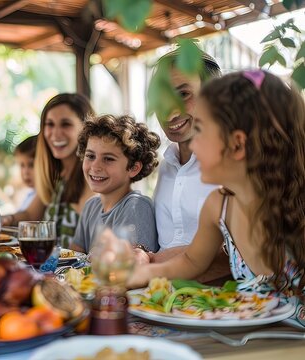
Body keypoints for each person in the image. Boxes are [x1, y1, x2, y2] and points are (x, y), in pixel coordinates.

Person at [130, 70, 305, 325]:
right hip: (253, 341)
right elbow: (191, 262)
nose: (193, 144)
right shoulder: (219, 205)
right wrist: (139, 273)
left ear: (237, 144)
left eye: (200, 130)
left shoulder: (294, 205)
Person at [149, 49, 223, 263]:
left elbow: (236, 253)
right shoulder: (166, 166)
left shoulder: (234, 165)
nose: (170, 111)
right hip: (159, 292)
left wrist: (152, 263)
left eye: (183, 94)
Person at [3, 93, 95, 248]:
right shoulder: (56, 173)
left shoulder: (92, 174)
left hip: (78, 270)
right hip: (52, 267)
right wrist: (4, 219)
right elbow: (31, 215)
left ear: (86, 129)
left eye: (66, 124)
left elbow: (90, 232)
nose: (55, 133)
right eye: (50, 124)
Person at [72, 115, 160, 253]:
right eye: (90, 156)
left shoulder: (136, 207)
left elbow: (131, 264)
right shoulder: (91, 206)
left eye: (108, 159)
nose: (95, 166)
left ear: (133, 168)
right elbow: (74, 255)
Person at [13, 135, 37, 211]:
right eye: (22, 165)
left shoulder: (45, 197)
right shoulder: (30, 194)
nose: (25, 172)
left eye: (31, 165)